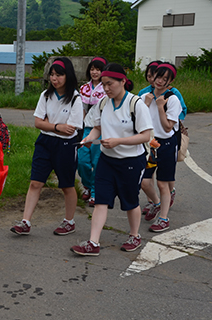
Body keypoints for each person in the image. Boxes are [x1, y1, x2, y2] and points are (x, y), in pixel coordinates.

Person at [71, 63, 153, 256]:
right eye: (104, 84)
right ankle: (93, 242)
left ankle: (135, 236)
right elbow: (97, 128)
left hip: (132, 161)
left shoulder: (136, 104)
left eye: (110, 84)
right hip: (107, 161)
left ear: (123, 81)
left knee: (130, 201)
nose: (106, 88)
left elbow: (145, 136)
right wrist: (88, 139)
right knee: (101, 199)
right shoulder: (103, 103)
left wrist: (118, 141)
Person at [10, 57, 83, 236]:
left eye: (59, 74)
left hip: (66, 145)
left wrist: (49, 124)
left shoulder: (75, 98)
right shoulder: (46, 95)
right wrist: (56, 126)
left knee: (66, 185)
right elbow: (38, 123)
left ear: (68, 76)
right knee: (35, 182)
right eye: (52, 74)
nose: (54, 78)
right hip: (44, 142)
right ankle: (25, 222)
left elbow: (70, 130)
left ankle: (69, 221)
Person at [138, 61, 186, 216]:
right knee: (144, 182)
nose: (159, 81)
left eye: (165, 78)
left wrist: (160, 107)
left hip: (166, 144)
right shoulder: (145, 97)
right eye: (158, 76)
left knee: (162, 183)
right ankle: (156, 203)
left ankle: (164, 218)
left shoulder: (172, 99)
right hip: (149, 143)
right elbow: (138, 122)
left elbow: (167, 127)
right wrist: (146, 105)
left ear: (170, 81)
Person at [78, 57, 108, 207]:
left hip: (102, 129)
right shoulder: (84, 88)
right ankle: (87, 185)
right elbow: (82, 109)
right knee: (82, 160)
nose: (95, 72)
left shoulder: (107, 88)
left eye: (98, 69)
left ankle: (95, 192)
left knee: (97, 162)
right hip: (86, 128)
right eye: (92, 69)